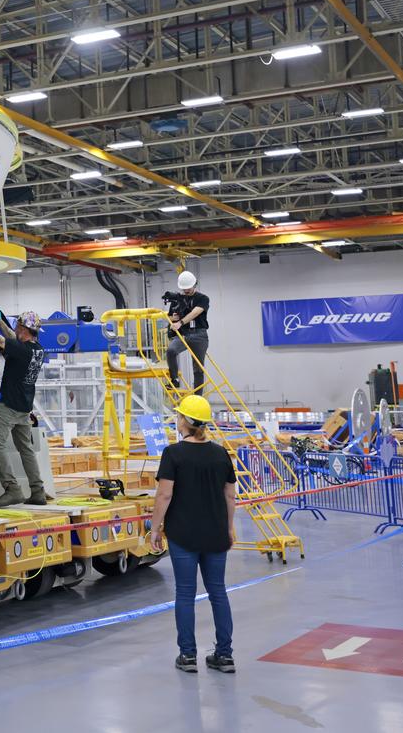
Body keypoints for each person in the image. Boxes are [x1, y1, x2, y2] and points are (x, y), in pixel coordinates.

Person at [150, 394, 236, 674]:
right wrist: (230, 527)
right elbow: (230, 495)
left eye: (178, 416)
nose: (176, 419)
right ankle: (224, 656)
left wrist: (154, 528)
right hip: (215, 534)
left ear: (186, 421)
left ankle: (187, 656)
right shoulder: (220, 453)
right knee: (218, 593)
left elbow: (164, 495)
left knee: (185, 594)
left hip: (183, 535)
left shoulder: (173, 454)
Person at [0, 309, 47, 507]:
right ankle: (38, 491)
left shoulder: (21, 350)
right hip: (25, 408)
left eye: (17, 326)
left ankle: (12, 489)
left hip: (9, 406)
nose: (14, 329)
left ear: (23, 329)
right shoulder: (38, 350)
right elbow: (13, 339)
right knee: (25, 449)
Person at [165, 270, 210, 391]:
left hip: (199, 334)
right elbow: (169, 316)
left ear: (194, 284)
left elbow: (195, 312)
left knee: (198, 368)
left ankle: (198, 398)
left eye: (188, 288)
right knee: (171, 351)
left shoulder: (203, 298)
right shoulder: (177, 300)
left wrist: (180, 322)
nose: (186, 291)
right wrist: (172, 318)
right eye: (184, 289)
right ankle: (174, 380)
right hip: (183, 334)